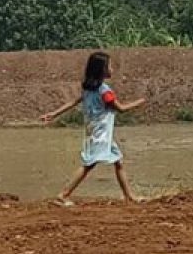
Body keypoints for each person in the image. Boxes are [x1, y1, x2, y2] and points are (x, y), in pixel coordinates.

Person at [39, 51, 145, 206]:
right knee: (89, 164)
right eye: (109, 66)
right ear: (102, 70)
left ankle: (129, 196)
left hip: (95, 132)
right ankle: (63, 195)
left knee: (118, 162)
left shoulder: (88, 89)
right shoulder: (105, 91)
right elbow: (120, 108)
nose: (112, 69)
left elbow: (73, 102)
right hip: (101, 134)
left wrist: (54, 114)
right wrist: (140, 102)